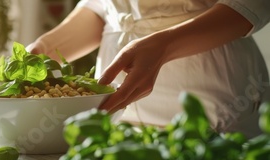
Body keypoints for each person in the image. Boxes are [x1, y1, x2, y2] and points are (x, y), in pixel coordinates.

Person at [26, 0, 270, 138]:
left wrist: (164, 46)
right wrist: (46, 48)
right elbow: (104, 7)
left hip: (215, 102)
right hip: (120, 120)